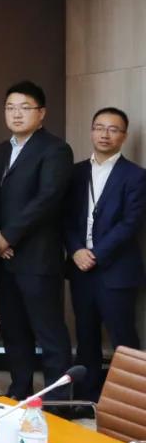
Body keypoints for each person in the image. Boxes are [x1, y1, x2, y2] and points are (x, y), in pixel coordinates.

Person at [0, 80, 73, 401]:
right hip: (3, 257)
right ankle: (20, 390)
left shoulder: (55, 149)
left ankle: (57, 401)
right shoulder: (0, 150)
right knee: (14, 330)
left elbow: (47, 198)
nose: (16, 114)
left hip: (37, 257)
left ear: (42, 113)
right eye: (10, 108)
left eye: (25, 108)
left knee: (48, 331)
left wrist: (8, 235)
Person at [64, 107, 146, 402]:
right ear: (91, 131)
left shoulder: (136, 176)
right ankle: (86, 401)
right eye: (99, 127)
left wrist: (95, 254)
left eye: (113, 129)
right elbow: (65, 217)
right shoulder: (75, 172)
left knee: (123, 339)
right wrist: (76, 250)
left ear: (123, 136)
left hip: (116, 270)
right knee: (85, 338)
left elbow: (130, 224)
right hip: (80, 269)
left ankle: (131, 403)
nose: (105, 134)